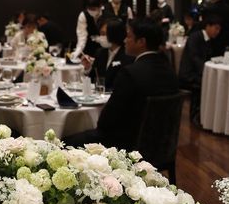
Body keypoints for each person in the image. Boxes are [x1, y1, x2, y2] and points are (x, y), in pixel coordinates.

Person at [66, 18, 179, 150]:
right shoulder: (170, 71)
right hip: (161, 144)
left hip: (125, 145)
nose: (125, 40)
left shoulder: (130, 73)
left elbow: (106, 121)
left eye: (129, 36)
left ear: (141, 42)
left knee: (64, 142)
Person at [179, 15, 223, 126]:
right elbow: (194, 58)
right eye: (216, 28)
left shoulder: (208, 40)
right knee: (208, 82)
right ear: (208, 26)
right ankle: (196, 117)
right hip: (188, 74)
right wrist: (207, 72)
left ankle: (209, 116)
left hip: (198, 72)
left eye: (219, 29)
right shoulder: (195, 37)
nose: (217, 32)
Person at [82, 19, 133, 91]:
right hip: (99, 94)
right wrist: (88, 68)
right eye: (100, 34)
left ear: (115, 34)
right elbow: (93, 79)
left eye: (104, 34)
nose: (101, 37)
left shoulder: (127, 55)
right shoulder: (100, 53)